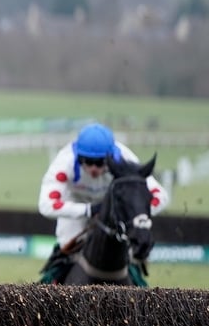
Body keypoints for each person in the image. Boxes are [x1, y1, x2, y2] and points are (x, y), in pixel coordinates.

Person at [37, 122, 170, 285]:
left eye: (100, 162)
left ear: (110, 157)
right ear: (78, 156)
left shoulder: (125, 160)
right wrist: (88, 210)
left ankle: (139, 286)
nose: (94, 169)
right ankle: (50, 284)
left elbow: (160, 196)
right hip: (76, 203)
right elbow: (46, 205)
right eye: (87, 161)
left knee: (129, 247)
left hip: (114, 206)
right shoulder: (64, 163)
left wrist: (134, 217)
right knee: (67, 246)